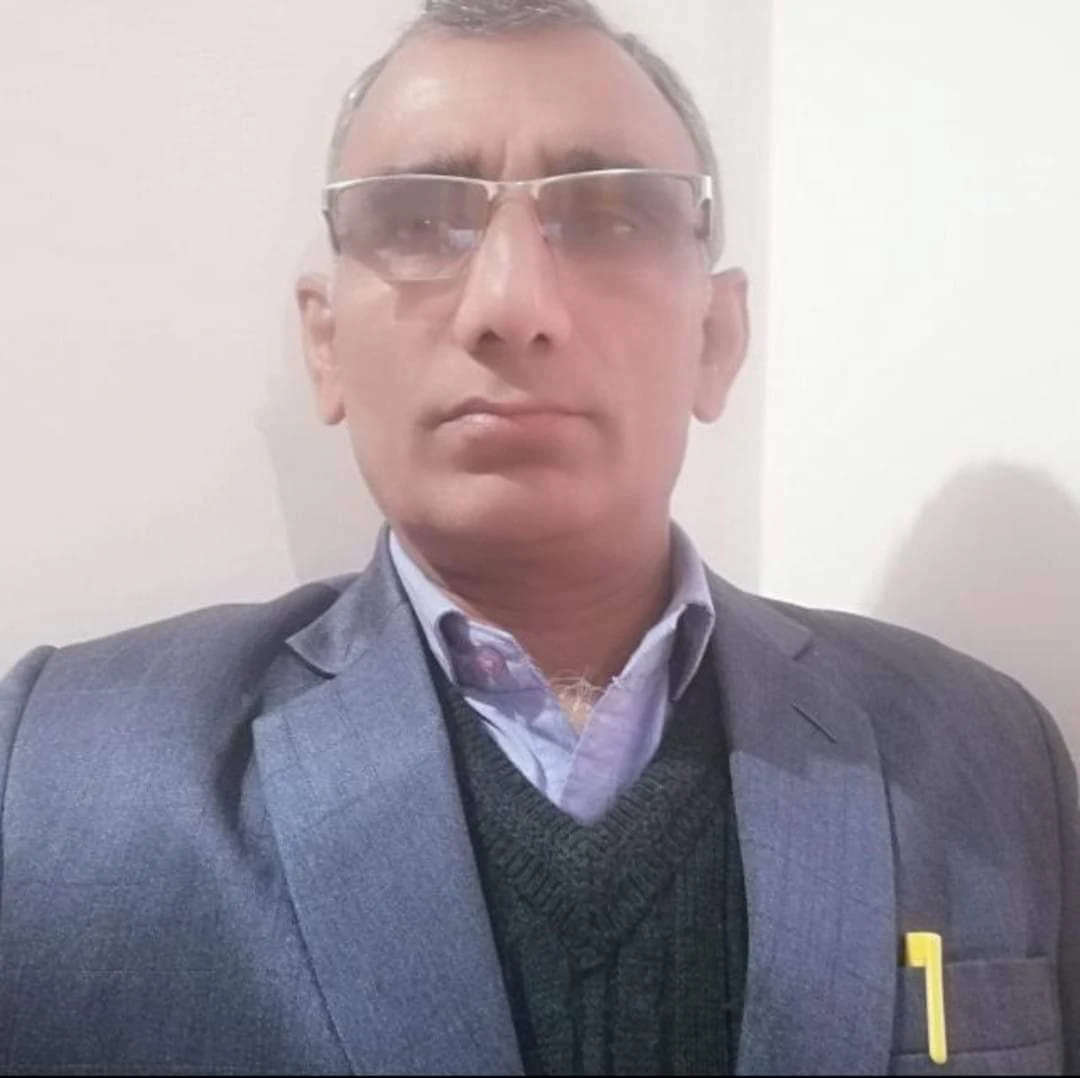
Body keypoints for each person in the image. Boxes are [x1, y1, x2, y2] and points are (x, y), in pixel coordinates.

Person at [0, 0, 1076, 1073]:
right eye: (418, 221)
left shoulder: (986, 757)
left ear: (716, 337)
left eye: (608, 216)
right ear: (325, 346)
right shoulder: (60, 777)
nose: (512, 306)